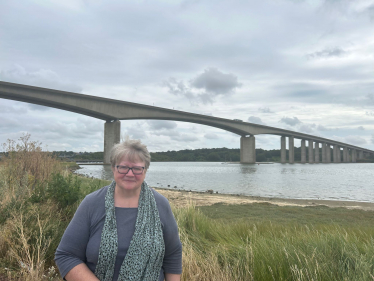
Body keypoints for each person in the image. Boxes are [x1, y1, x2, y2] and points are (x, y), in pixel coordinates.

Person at [55, 139, 182, 281]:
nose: (129, 174)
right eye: (123, 167)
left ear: (145, 171)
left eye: (137, 168)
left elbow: (173, 255)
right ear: (113, 168)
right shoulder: (91, 204)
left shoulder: (161, 205)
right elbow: (66, 255)